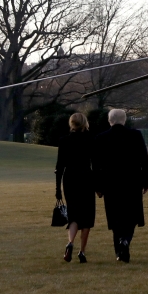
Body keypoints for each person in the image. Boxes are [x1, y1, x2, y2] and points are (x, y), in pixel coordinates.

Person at [94, 109, 148, 263]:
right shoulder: (135, 135)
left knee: (115, 217)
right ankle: (125, 240)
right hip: (132, 182)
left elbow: (97, 165)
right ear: (125, 120)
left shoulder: (101, 138)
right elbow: (144, 159)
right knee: (132, 216)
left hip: (111, 183)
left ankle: (119, 252)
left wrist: (98, 186)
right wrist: (146, 181)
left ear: (109, 120)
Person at [55, 113, 95, 263]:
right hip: (86, 178)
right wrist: (98, 186)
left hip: (69, 179)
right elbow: (95, 164)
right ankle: (82, 252)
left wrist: (58, 189)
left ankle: (70, 242)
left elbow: (59, 167)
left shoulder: (64, 140)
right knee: (87, 216)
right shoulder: (90, 139)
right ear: (85, 123)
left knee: (74, 214)